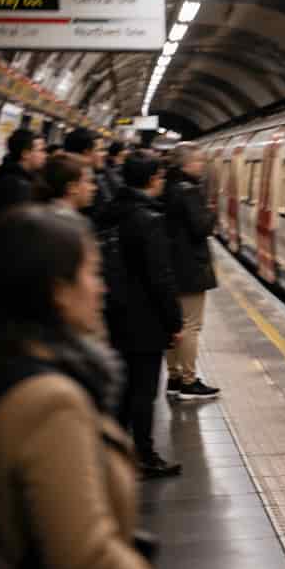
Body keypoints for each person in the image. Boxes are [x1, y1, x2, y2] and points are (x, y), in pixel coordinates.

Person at [0, 206, 163, 569]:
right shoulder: (49, 402)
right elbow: (86, 560)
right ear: (58, 290)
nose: (102, 288)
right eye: (92, 272)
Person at [103, 153, 183, 477]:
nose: (162, 183)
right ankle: (145, 455)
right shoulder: (149, 219)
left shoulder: (110, 211)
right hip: (144, 318)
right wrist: (174, 321)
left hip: (114, 313)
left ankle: (115, 452)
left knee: (121, 389)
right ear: (152, 180)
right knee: (143, 391)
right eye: (161, 178)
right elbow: (159, 276)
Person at [163, 144, 221, 400]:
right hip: (190, 269)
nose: (202, 165)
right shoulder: (189, 192)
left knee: (174, 324)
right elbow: (201, 228)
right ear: (185, 164)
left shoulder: (167, 188)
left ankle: (174, 376)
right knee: (190, 326)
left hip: (171, 266)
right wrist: (212, 213)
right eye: (198, 160)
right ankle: (188, 380)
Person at [0, 128, 46, 220]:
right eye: (41, 150)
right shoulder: (17, 186)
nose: (45, 155)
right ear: (25, 154)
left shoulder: (11, 175)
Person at [64, 128, 110, 221]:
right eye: (100, 150)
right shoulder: (70, 179)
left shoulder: (100, 175)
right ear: (86, 153)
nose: (105, 154)